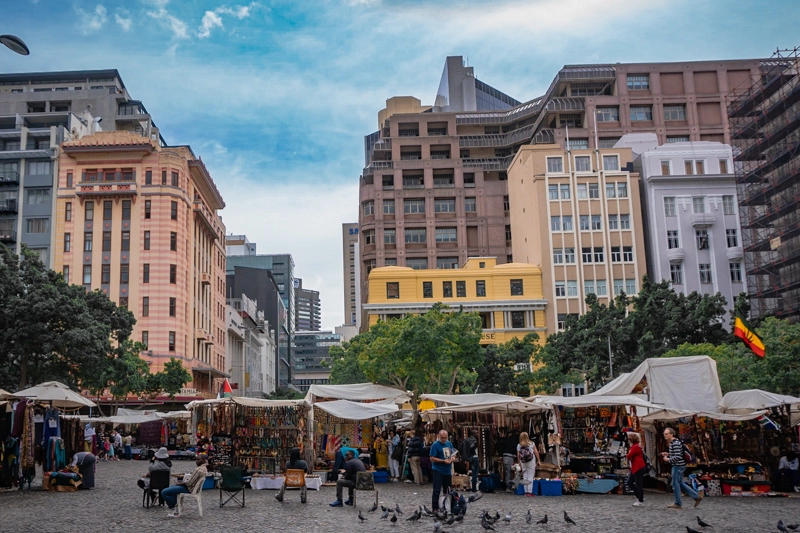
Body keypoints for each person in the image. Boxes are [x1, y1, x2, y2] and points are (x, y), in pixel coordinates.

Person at [661, 427, 702, 509]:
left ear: (671, 434)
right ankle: (696, 496)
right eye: (664, 434)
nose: (664, 435)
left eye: (666, 434)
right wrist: (668, 454)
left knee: (675, 484)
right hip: (679, 465)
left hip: (678, 466)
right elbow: (677, 453)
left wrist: (668, 459)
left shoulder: (675, 443)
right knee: (679, 483)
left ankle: (678, 503)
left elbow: (678, 456)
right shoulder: (674, 442)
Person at [429, 430, 456, 513]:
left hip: (447, 471)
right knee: (436, 490)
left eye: (445, 438)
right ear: (439, 437)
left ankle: (447, 507)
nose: (444, 439)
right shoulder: (435, 445)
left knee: (447, 490)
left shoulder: (449, 443)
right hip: (438, 470)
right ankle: (435, 508)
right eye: (442, 438)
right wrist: (443, 461)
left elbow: (453, 452)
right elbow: (432, 458)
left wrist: (453, 457)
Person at [626, 432, 646, 506]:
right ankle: (639, 497)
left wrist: (627, 454)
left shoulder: (635, 447)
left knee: (638, 484)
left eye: (629, 439)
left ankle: (640, 500)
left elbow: (629, 456)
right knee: (629, 482)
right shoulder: (636, 446)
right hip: (635, 467)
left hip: (638, 467)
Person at [501, 427, 520, 491]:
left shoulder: (508, 439)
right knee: (509, 471)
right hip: (510, 456)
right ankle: (508, 486)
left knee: (507, 471)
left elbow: (503, 446)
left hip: (506, 455)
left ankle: (509, 485)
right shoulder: (516, 439)